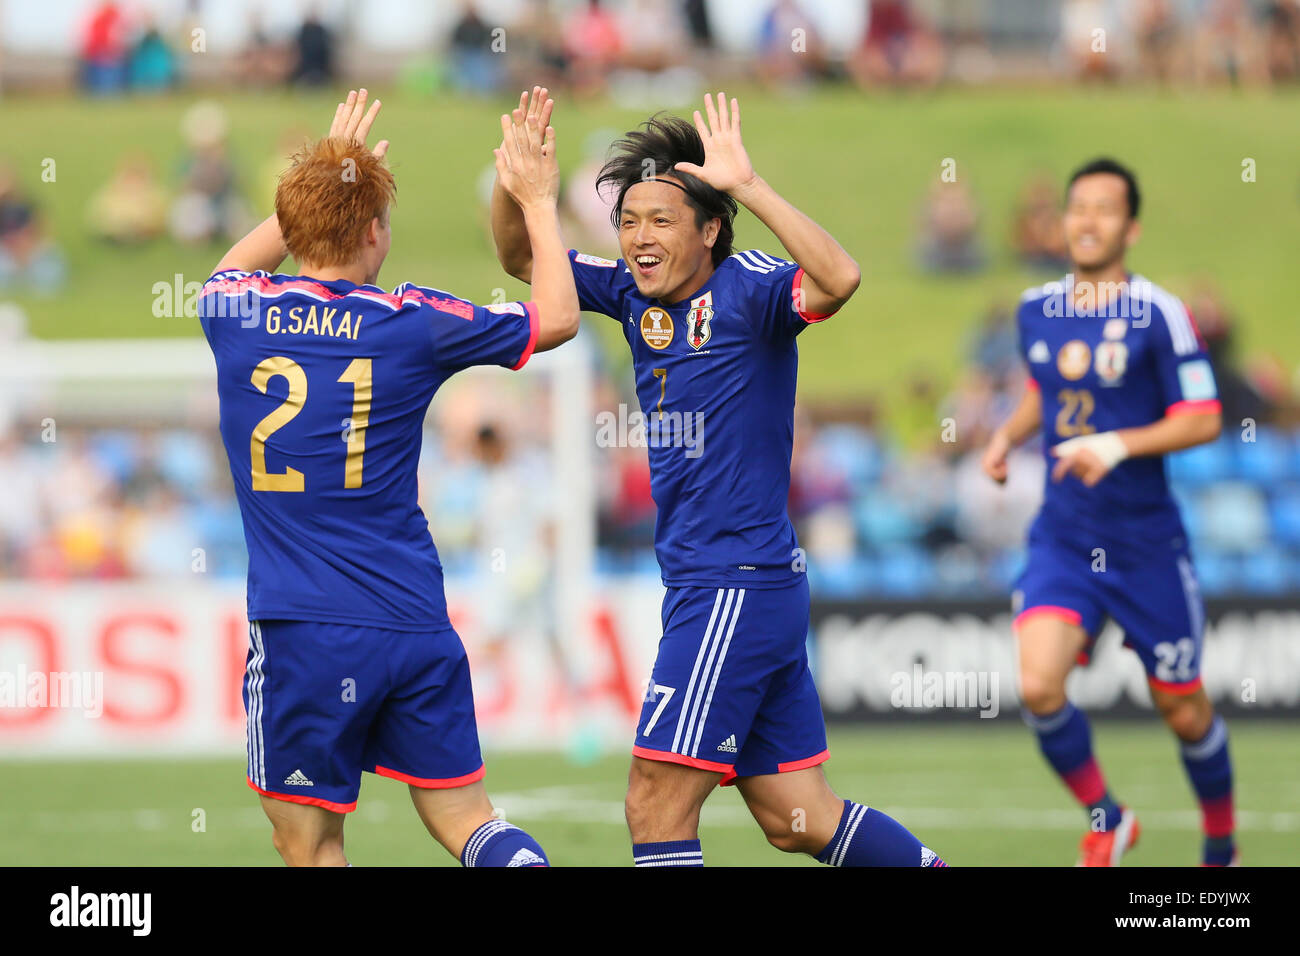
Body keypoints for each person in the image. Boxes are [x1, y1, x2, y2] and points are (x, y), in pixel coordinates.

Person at [493, 88, 946, 867]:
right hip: (726, 583)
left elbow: (839, 277)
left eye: (661, 221)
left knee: (654, 801)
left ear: (710, 230)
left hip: (734, 581)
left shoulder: (755, 290)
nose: (639, 237)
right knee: (796, 814)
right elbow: (519, 258)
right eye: (629, 221)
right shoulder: (631, 293)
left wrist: (749, 184)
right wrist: (521, 189)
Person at [198, 89, 578, 866]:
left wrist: (323, 179)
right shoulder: (414, 320)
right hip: (412, 619)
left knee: (310, 843)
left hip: (304, 627)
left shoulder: (231, 312)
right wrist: (539, 200)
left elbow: (232, 265)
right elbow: (559, 317)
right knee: (470, 821)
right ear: (375, 231)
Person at [981, 158, 1235, 866]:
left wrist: (1117, 445)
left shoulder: (1159, 312)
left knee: (1183, 708)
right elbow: (1047, 393)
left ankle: (1222, 848)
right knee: (1037, 684)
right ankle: (1109, 817)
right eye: (1077, 207)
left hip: (1146, 544)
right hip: (1064, 537)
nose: (1088, 220)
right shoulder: (1035, 308)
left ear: (1132, 227)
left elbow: (1204, 417)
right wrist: (1006, 434)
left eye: (1105, 209)